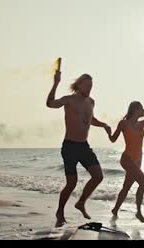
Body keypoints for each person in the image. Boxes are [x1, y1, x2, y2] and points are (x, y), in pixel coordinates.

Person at [46, 69, 111, 227]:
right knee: (71, 183)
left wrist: (103, 125)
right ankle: (60, 211)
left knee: (98, 176)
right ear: (79, 85)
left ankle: (81, 202)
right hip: (69, 147)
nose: (89, 89)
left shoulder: (91, 102)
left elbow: (91, 119)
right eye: (87, 86)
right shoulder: (68, 100)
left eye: (91, 86)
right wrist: (55, 83)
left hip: (84, 146)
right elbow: (50, 104)